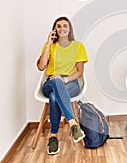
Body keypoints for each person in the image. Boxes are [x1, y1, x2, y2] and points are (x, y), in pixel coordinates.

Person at [37, 16, 88, 155]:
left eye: (65, 25)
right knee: (55, 86)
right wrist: (48, 44)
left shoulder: (78, 46)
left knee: (54, 97)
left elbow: (79, 73)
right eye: (58, 26)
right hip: (51, 82)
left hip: (71, 83)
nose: (62, 28)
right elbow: (41, 67)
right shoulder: (50, 46)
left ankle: (53, 137)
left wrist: (64, 80)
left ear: (69, 28)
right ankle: (73, 124)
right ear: (55, 30)